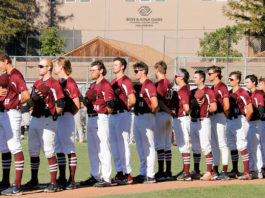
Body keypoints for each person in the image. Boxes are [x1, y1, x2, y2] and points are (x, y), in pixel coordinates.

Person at [23, 58, 65, 193]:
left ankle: (54, 182)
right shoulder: (36, 83)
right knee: (33, 151)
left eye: (41, 66)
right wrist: (31, 101)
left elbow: (61, 104)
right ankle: (34, 180)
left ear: (49, 68)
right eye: (38, 66)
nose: (39, 68)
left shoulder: (55, 84)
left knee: (48, 150)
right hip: (35, 118)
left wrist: (53, 116)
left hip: (47, 119)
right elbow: (30, 104)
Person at [81, 60, 115, 187]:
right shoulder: (92, 85)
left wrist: (104, 114)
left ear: (101, 70)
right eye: (90, 70)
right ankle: (95, 175)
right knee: (93, 149)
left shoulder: (106, 85)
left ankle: (106, 178)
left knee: (103, 148)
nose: (91, 72)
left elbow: (111, 105)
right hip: (91, 117)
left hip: (101, 117)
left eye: (94, 70)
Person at [0, 52, 30, 195]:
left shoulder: (16, 74)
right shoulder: (5, 76)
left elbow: (26, 95)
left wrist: (15, 102)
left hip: (12, 113)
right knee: (4, 147)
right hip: (3, 113)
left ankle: (17, 185)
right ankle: (5, 181)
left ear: (6, 61)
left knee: (15, 146)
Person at [53, 57, 81, 190]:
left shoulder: (70, 82)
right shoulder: (59, 82)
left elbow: (77, 104)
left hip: (67, 117)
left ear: (62, 67)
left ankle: (72, 179)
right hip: (58, 117)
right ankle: (62, 177)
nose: (54, 68)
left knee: (69, 147)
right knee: (58, 148)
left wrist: (69, 114)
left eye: (56, 66)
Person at [109, 57, 136, 185]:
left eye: (116, 65)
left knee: (123, 144)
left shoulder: (125, 81)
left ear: (122, 67)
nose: (113, 66)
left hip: (122, 114)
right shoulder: (113, 81)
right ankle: (119, 172)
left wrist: (126, 107)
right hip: (113, 115)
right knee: (114, 144)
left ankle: (128, 174)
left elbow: (133, 99)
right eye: (113, 64)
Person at [133, 62, 158, 184]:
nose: (135, 73)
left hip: (146, 116)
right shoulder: (138, 85)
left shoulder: (149, 84)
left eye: (137, 71)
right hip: (137, 116)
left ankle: (151, 174)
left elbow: (155, 103)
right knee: (140, 146)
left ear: (144, 71)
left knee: (149, 145)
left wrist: (151, 114)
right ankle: (143, 172)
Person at [189, 70, 217, 181]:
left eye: (195, 77)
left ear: (202, 79)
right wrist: (193, 104)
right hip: (193, 120)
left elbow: (214, 107)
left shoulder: (208, 90)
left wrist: (205, 110)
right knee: (195, 148)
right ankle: (196, 171)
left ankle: (209, 171)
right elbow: (189, 107)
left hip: (203, 120)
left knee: (206, 146)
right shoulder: (193, 91)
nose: (193, 79)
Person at [226, 71, 253, 180]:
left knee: (241, 145)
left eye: (232, 79)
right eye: (229, 79)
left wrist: (245, 121)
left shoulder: (243, 92)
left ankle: (247, 172)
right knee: (232, 145)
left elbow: (250, 110)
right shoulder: (229, 93)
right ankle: (235, 170)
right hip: (230, 120)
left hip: (240, 119)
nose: (229, 81)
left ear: (237, 80)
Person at [153, 61, 175, 182]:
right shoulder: (169, 82)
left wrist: (168, 111)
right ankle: (168, 171)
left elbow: (160, 101)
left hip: (162, 114)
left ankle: (161, 171)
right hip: (167, 115)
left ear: (157, 69)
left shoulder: (161, 83)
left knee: (160, 144)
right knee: (167, 144)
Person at [207, 66, 230, 180]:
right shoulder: (212, 87)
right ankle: (215, 170)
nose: (208, 75)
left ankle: (224, 172)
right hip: (212, 117)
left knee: (222, 144)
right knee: (214, 145)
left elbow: (226, 105)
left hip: (220, 116)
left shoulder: (222, 86)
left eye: (210, 73)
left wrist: (225, 116)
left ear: (216, 74)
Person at [173, 69, 192, 181]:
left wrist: (189, 113)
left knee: (183, 145)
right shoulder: (186, 89)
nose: (175, 78)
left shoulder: (183, 91)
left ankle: (186, 172)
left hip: (182, 119)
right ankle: (185, 170)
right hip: (184, 118)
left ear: (181, 77)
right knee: (183, 145)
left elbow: (186, 108)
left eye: (176, 76)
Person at [245, 74, 264, 179]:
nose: (246, 84)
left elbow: (261, 109)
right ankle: (252, 169)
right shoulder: (249, 94)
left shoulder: (258, 94)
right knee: (250, 147)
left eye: (248, 82)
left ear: (254, 83)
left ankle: (258, 170)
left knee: (256, 147)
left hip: (256, 122)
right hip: (250, 123)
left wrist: (257, 114)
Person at [257, 77, 265, 177]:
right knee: (260, 145)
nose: (259, 85)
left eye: (261, 83)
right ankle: (262, 167)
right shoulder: (259, 95)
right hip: (260, 122)